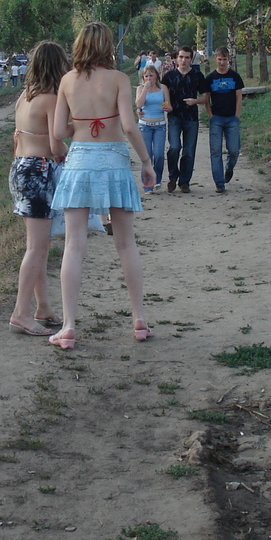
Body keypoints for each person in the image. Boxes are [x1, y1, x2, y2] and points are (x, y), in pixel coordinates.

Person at [47, 22, 155, 350]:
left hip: (80, 163)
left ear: (79, 45)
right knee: (126, 244)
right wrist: (147, 163)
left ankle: (67, 326)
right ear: (108, 46)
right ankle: (138, 318)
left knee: (74, 246)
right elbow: (129, 126)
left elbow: (58, 134)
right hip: (114, 162)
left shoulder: (67, 81)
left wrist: (77, 128)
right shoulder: (120, 80)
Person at [8, 41, 73, 336]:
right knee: (37, 247)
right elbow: (55, 144)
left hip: (20, 169)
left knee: (37, 245)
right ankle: (21, 312)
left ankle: (42, 307)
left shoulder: (24, 97)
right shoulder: (49, 99)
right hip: (39, 171)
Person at [162, 45, 209, 193]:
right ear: (176, 59)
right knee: (174, 147)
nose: (183, 60)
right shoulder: (169, 76)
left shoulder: (197, 75)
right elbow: (162, 93)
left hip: (191, 117)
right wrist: (166, 104)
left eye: (187, 57)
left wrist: (195, 101)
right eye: (181, 57)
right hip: (174, 117)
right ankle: (172, 177)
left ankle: (185, 182)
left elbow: (205, 97)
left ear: (191, 59)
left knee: (189, 151)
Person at [204, 47, 243, 193]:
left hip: (232, 118)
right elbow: (206, 98)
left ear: (228, 59)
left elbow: (239, 96)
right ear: (216, 59)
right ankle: (219, 183)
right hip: (217, 118)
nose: (222, 62)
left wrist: (237, 115)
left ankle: (229, 167)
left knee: (234, 150)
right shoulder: (210, 78)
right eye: (219, 59)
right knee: (215, 151)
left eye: (224, 59)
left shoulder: (235, 76)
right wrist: (210, 115)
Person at [134, 64, 169, 191]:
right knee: (147, 155)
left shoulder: (163, 88)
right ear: (143, 78)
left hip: (159, 125)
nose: (149, 78)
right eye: (146, 76)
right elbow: (138, 104)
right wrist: (145, 90)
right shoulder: (140, 88)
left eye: (151, 75)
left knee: (159, 154)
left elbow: (168, 105)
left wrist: (167, 107)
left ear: (156, 76)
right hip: (145, 126)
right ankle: (148, 184)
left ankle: (157, 179)